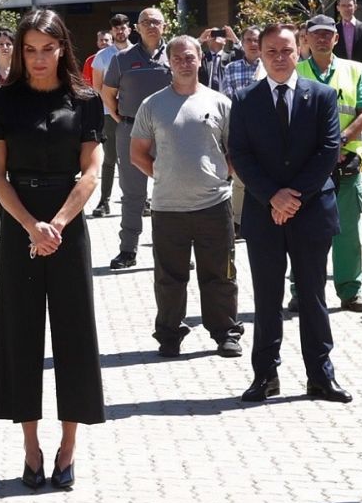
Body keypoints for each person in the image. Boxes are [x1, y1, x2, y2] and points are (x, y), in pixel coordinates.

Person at [0, 8, 104, 490]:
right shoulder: (2, 102)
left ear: (62, 48)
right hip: (19, 223)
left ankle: (69, 447)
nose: (38, 59)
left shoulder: (85, 100)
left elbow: (92, 171)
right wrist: (30, 227)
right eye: (29, 49)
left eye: (47, 48)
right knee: (21, 335)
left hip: (66, 224)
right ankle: (31, 447)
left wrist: (54, 224)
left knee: (74, 333)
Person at [228, 24, 350, 405]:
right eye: (271, 52)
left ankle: (320, 376)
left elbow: (328, 150)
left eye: (286, 50)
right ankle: (265, 376)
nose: (280, 58)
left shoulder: (323, 96)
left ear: (298, 50)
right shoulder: (244, 99)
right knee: (267, 297)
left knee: (313, 295)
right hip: (264, 212)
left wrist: (293, 198)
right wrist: (273, 197)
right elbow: (240, 155)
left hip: (311, 210)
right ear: (259, 54)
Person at [130, 35, 243, 358]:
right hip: (167, 207)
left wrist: (224, 175)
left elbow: (234, 150)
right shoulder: (152, 105)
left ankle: (225, 333)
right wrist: (163, 176)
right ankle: (169, 334)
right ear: (168, 61)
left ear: (200, 59)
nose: (183, 62)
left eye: (189, 56)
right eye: (177, 57)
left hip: (214, 205)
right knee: (169, 278)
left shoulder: (219, 102)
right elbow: (137, 153)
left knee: (220, 274)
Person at [297, 15, 362, 313]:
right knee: (304, 230)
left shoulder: (355, 70)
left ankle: (350, 291)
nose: (321, 39)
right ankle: (302, 291)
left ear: (335, 39)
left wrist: (341, 140)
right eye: (315, 34)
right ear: (306, 38)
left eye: (326, 34)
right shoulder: (296, 71)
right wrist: (323, 148)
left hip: (348, 162)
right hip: (307, 165)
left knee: (347, 230)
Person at [100, 6, 171, 268]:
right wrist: (123, 120)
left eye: (156, 21)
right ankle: (128, 250)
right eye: (145, 22)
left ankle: (172, 252)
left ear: (164, 26)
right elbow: (107, 94)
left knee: (171, 193)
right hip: (131, 132)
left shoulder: (174, 55)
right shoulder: (122, 59)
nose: (151, 26)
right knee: (132, 194)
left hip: (170, 132)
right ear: (137, 28)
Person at [220, 28, 265, 230]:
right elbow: (226, 98)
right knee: (239, 178)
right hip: (238, 128)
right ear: (242, 43)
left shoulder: (268, 67)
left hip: (264, 130)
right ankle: (237, 222)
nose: (253, 43)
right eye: (248, 40)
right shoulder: (231, 68)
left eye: (256, 40)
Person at [88, 14, 131, 218]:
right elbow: (97, 86)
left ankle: (140, 200)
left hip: (135, 114)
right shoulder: (103, 56)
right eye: (116, 29)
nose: (120, 31)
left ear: (129, 29)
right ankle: (104, 201)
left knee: (137, 158)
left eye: (123, 28)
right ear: (112, 32)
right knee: (111, 158)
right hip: (109, 114)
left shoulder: (137, 53)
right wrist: (114, 111)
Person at [334, 0, 362, 74]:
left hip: (361, 73)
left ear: (355, 7)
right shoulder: (333, 30)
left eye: (349, 5)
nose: (346, 9)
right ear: (338, 8)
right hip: (339, 74)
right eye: (343, 6)